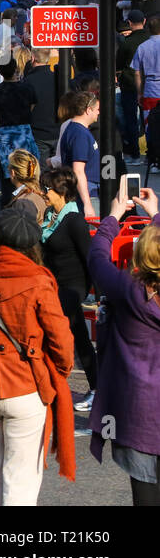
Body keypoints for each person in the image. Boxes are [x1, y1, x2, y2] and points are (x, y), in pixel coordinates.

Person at [0, 202, 76, 505]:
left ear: (0, 239)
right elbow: (62, 341)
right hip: (24, 383)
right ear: (33, 241)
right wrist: (59, 370)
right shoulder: (39, 280)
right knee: (19, 481)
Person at [88, 185, 160, 505]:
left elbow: (98, 256)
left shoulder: (126, 288)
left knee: (144, 495)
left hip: (138, 414)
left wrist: (114, 216)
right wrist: (156, 213)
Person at [39, 167, 95, 413]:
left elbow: (90, 257)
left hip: (73, 287)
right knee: (73, 337)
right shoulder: (52, 214)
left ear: (61, 191)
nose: (43, 193)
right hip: (54, 284)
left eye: (47, 189)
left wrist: (98, 294)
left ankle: (95, 388)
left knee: (66, 334)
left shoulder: (74, 220)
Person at [57, 90, 101, 219]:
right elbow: (78, 170)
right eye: (97, 109)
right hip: (87, 192)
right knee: (92, 233)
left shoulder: (74, 129)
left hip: (84, 191)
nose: (99, 112)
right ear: (88, 110)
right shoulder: (79, 134)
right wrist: (87, 204)